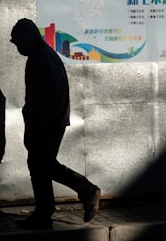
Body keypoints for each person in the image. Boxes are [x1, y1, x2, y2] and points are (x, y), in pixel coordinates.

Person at [10, 17, 101, 229]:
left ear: (29, 38)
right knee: (42, 165)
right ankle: (45, 212)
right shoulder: (43, 56)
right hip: (49, 121)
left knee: (42, 165)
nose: (18, 48)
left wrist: (36, 124)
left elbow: (43, 97)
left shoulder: (41, 59)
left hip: (46, 123)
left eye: (19, 43)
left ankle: (84, 190)